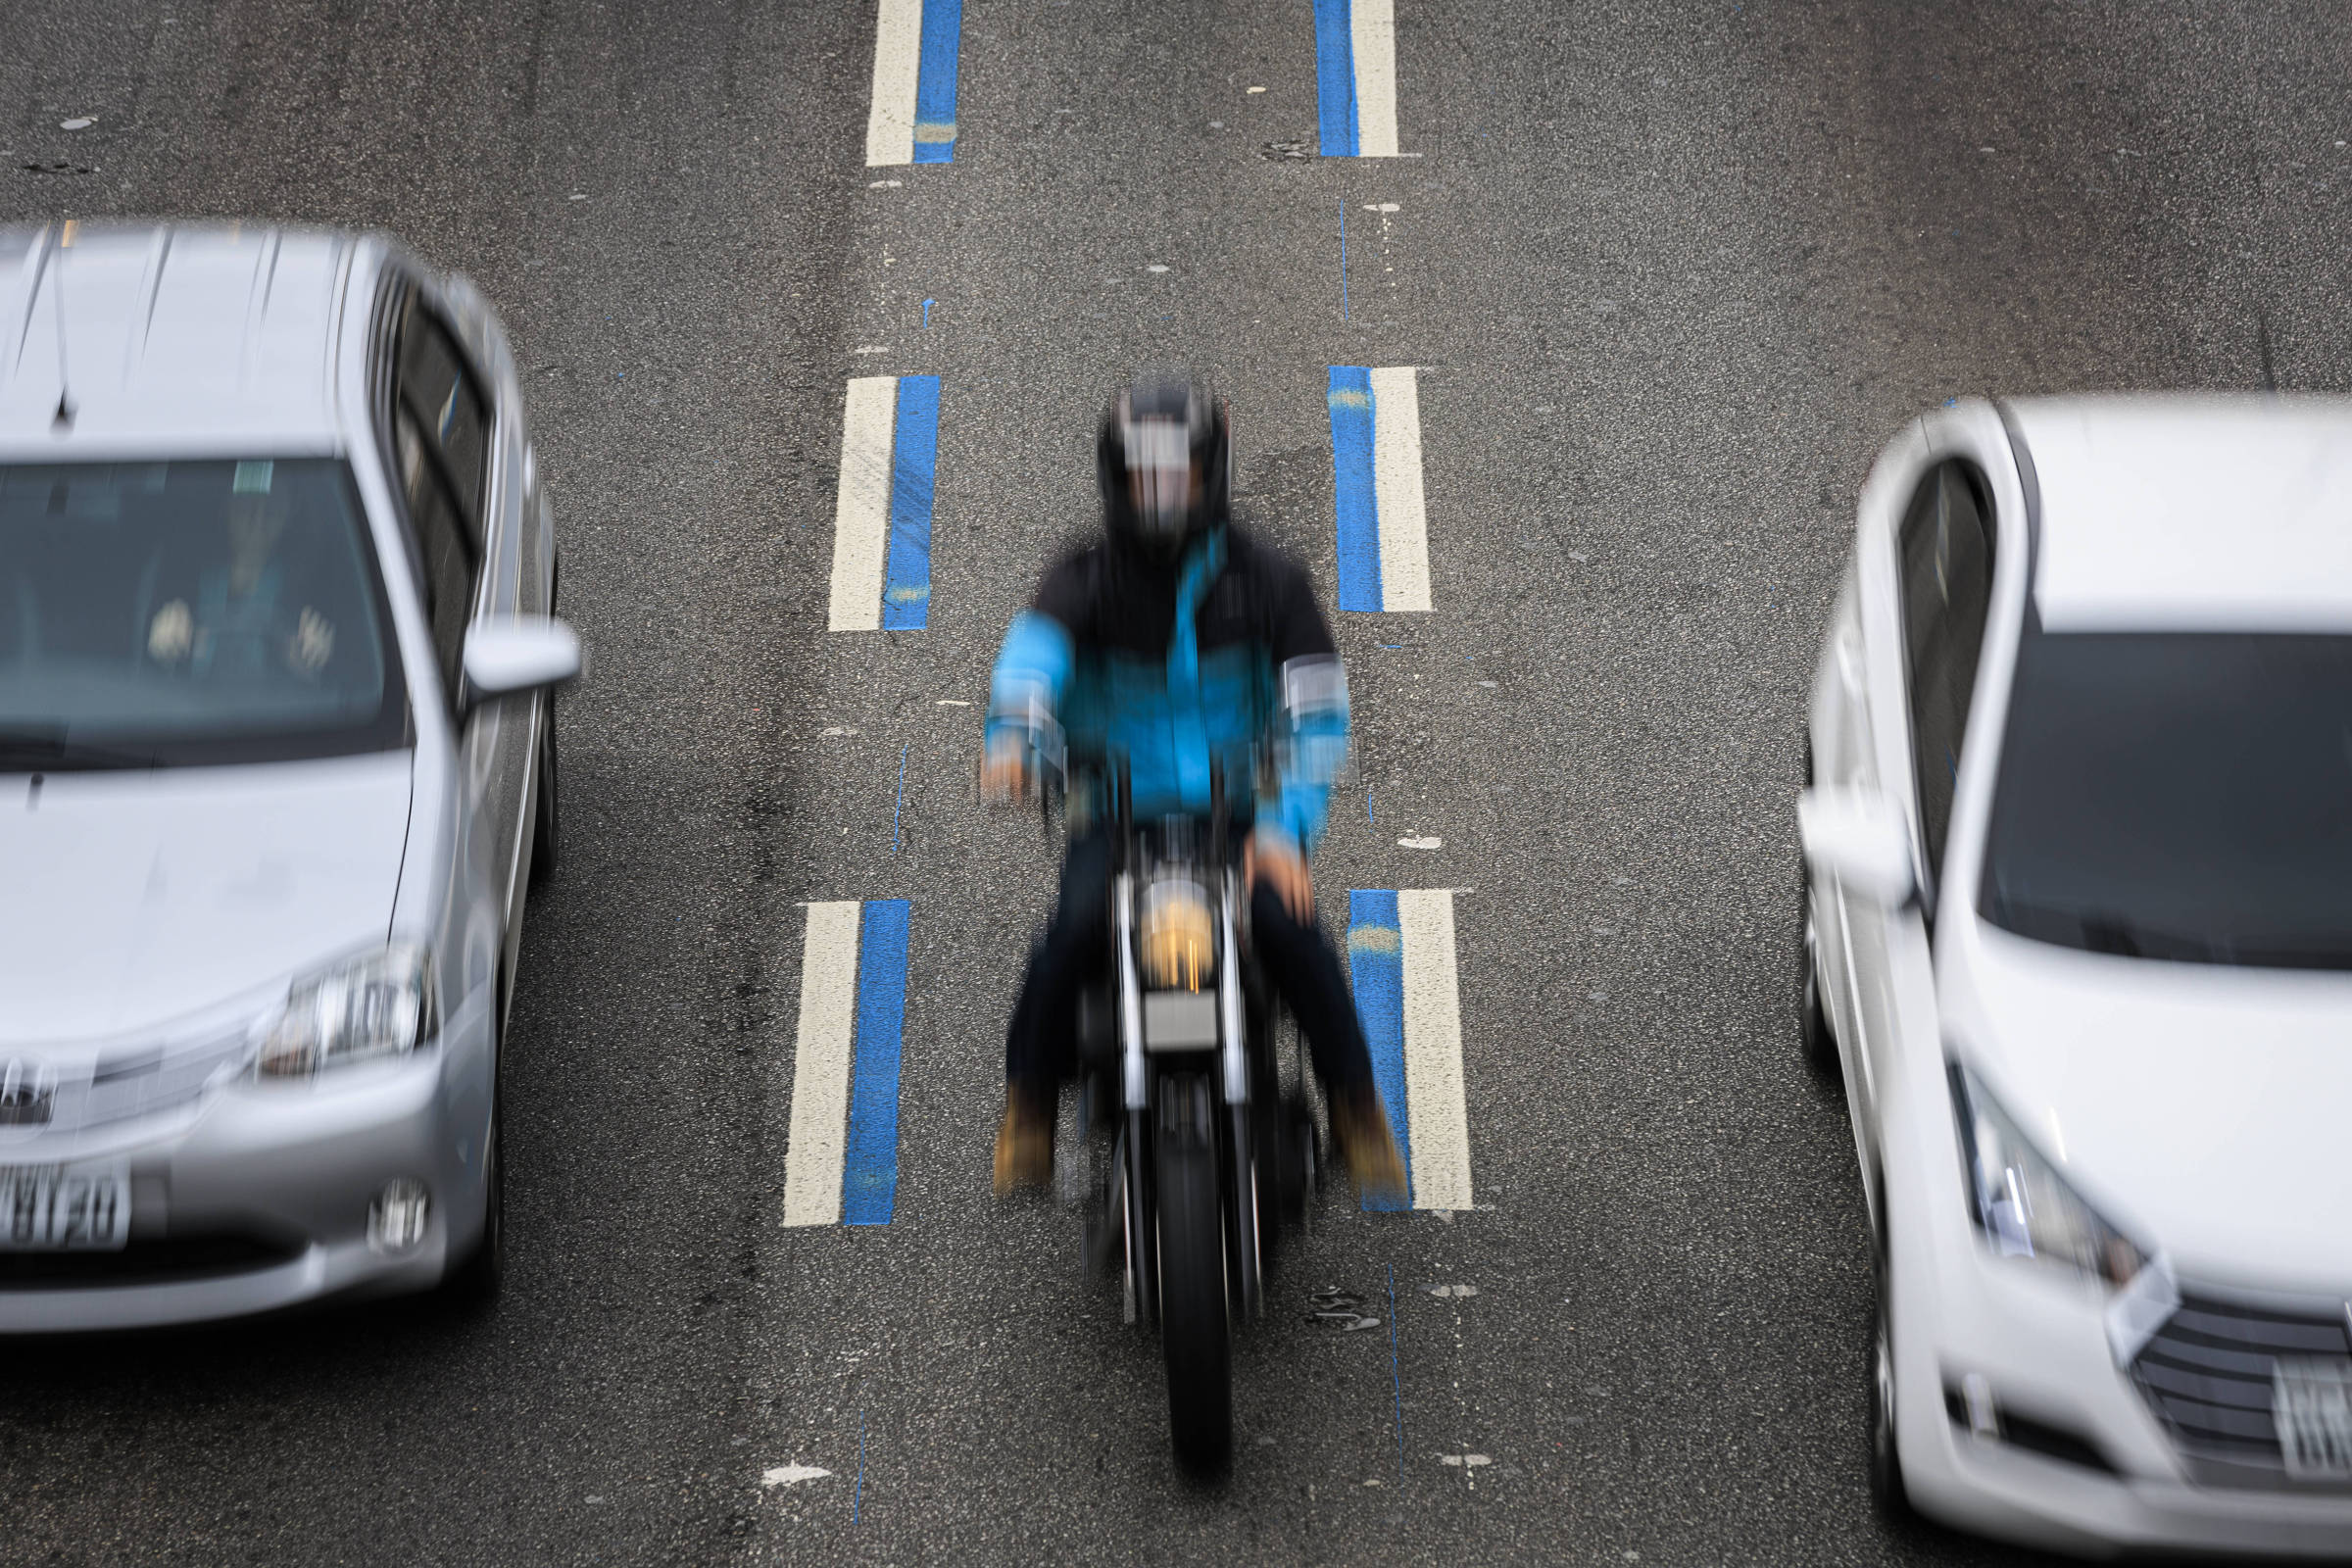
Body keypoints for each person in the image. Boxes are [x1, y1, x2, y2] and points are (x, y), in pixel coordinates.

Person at [981, 368, 1407, 1201]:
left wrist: (1284, 830)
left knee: (1291, 936)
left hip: (1243, 818)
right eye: (1146, 475)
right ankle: (1028, 1108)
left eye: (1181, 474)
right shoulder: (1084, 575)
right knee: (1071, 932)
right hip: (1116, 811)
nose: (1163, 493)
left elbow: (1318, 714)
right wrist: (1015, 734)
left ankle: (1356, 1107)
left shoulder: (1273, 579)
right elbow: (1032, 658)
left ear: (1211, 473)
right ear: (1117, 476)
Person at [148, 466, 335, 681]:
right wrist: (164, 651)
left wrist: (312, 662)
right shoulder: (179, 577)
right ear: (226, 506)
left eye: (272, 510)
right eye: (247, 505)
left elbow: (339, 680)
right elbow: (141, 676)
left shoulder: (313, 588)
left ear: (290, 513)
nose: (257, 522)